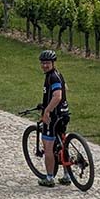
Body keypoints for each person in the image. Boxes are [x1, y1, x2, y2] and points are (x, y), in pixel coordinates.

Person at [37, 49, 71, 187]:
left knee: (48, 146)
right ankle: (67, 175)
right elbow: (65, 88)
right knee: (62, 144)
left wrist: (47, 111)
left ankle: (49, 178)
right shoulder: (58, 74)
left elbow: (57, 96)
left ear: (53, 63)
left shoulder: (52, 77)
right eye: (43, 63)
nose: (45, 65)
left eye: (47, 63)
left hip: (54, 116)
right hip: (64, 113)